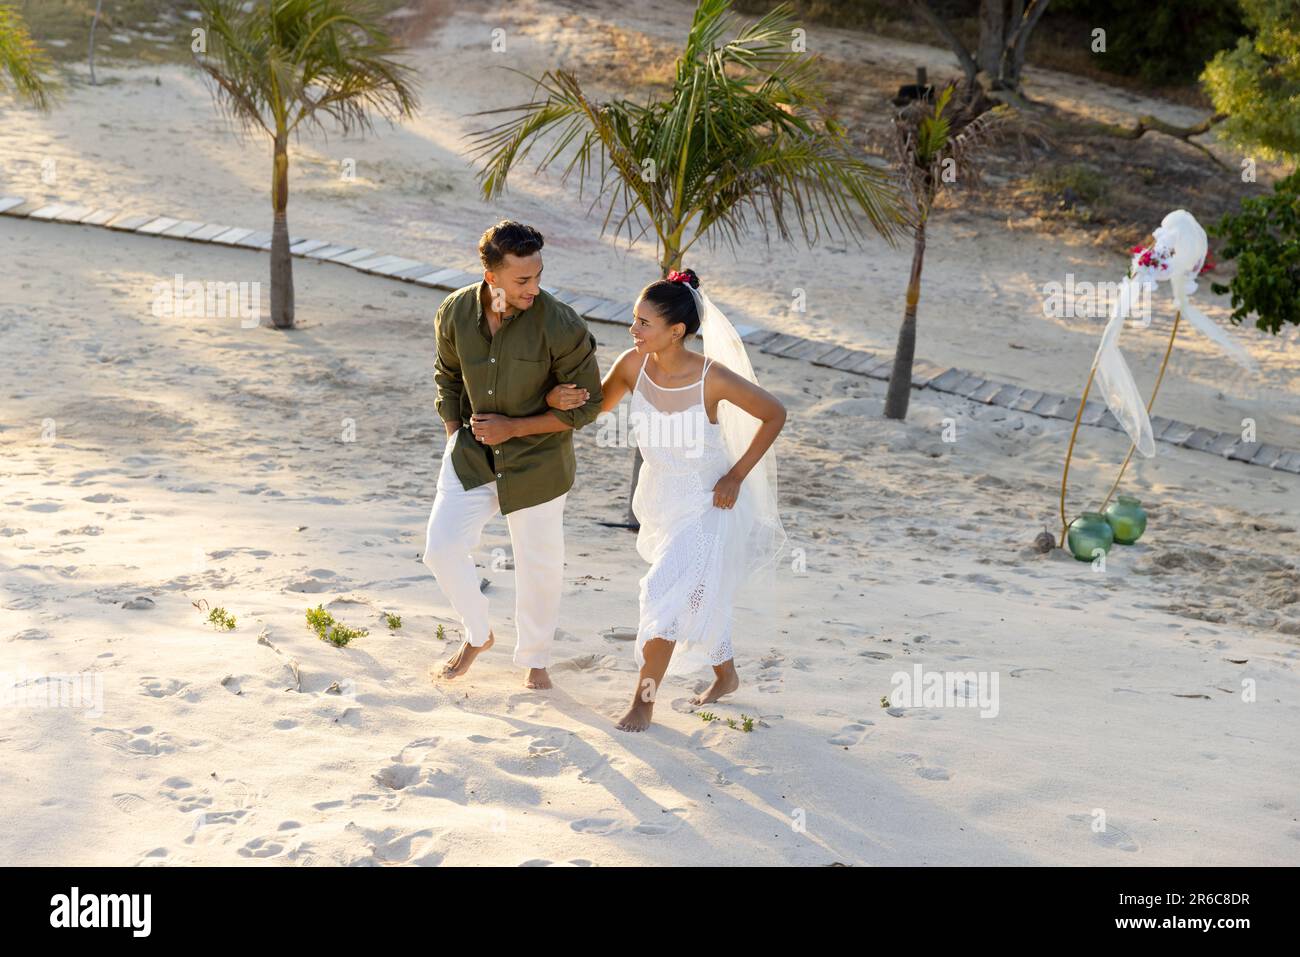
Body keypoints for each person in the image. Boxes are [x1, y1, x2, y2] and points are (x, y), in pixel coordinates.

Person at [547, 268, 787, 730]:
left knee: (662, 593)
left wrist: (737, 476)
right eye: (634, 320)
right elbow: (595, 408)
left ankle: (644, 700)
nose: (632, 330)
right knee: (695, 595)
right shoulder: (633, 365)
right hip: (657, 498)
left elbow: (774, 414)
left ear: (676, 331)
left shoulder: (712, 379)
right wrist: (560, 397)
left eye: (643, 323)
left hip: (705, 503)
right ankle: (727, 674)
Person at [422, 221, 603, 690]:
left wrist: (516, 427)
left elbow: (591, 405)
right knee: (441, 549)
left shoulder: (560, 323)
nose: (533, 288)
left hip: (538, 462)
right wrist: (452, 434)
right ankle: (478, 634)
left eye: (538, 276)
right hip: (471, 456)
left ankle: (536, 661)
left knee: (538, 566)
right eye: (522, 280)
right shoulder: (456, 313)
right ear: (491, 276)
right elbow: (447, 375)